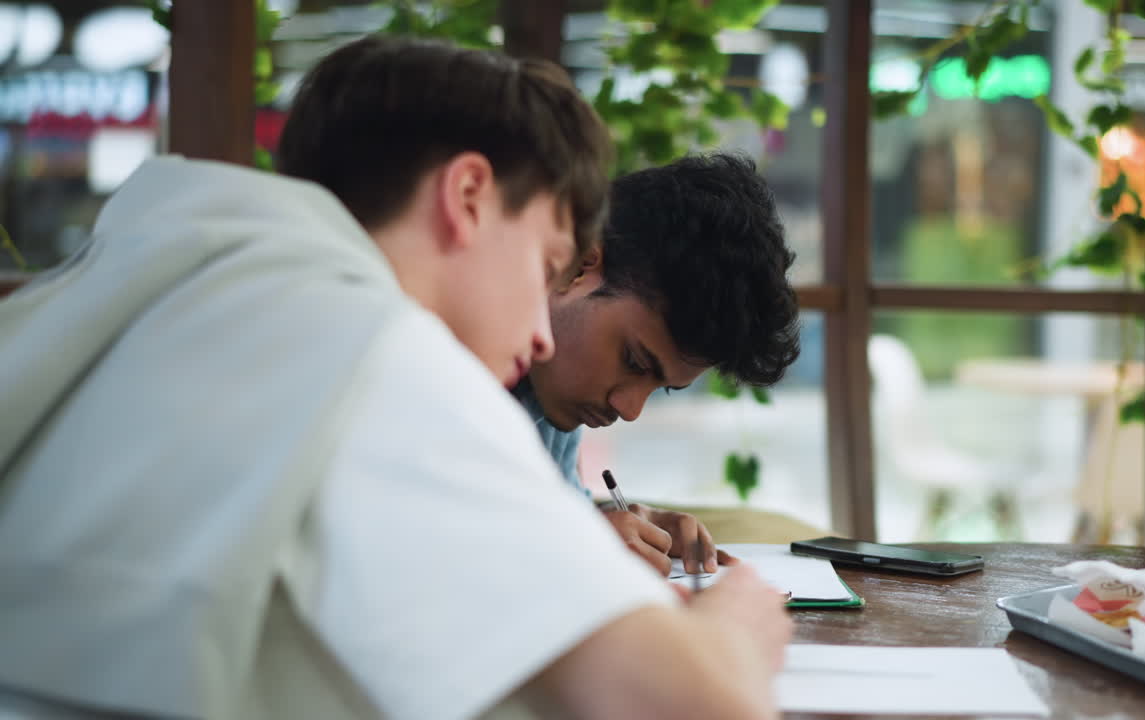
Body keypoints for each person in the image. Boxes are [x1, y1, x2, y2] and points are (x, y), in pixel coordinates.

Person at [0, 36, 790, 719]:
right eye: (545, 264)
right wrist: (739, 623)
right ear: (469, 197)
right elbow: (692, 704)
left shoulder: (153, 285)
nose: (539, 325)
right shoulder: (372, 357)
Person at [514, 152, 801, 576]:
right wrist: (573, 538)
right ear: (581, 265)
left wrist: (609, 521)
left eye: (662, 387)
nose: (629, 409)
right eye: (633, 360)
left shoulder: (550, 394)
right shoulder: (441, 361)